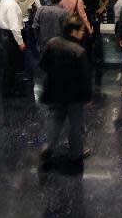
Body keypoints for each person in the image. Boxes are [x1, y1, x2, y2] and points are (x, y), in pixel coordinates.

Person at [39, 17, 92, 170]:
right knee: (76, 124)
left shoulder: (52, 43)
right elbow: (84, 78)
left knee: (55, 119)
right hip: (74, 95)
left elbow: (42, 64)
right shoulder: (79, 51)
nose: (83, 33)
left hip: (53, 90)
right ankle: (76, 153)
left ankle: (48, 146)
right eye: (81, 30)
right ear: (73, 31)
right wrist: (87, 97)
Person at [0, 0, 26, 96]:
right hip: (11, 37)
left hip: (6, 34)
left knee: (9, 63)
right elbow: (14, 26)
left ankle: (8, 87)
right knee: (12, 64)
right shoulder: (11, 5)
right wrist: (20, 42)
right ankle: (10, 90)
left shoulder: (6, 0)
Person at [81, 0, 108, 66]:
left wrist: (101, 8)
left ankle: (98, 58)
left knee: (97, 36)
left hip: (95, 16)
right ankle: (88, 58)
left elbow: (106, 0)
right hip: (86, 16)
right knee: (86, 37)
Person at [17, 0, 42, 81]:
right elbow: (39, 9)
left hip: (18, 26)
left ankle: (23, 69)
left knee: (21, 49)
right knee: (29, 49)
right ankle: (29, 73)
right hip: (29, 25)